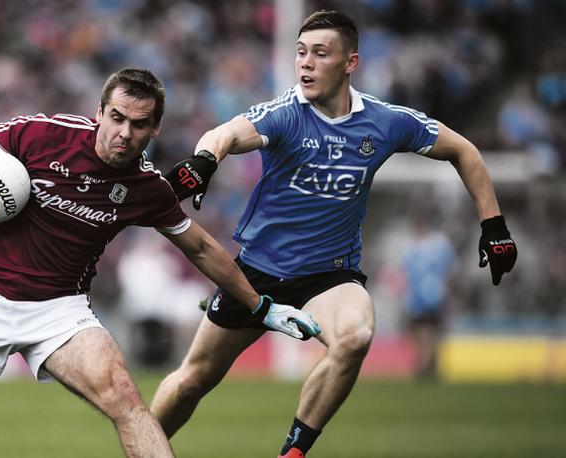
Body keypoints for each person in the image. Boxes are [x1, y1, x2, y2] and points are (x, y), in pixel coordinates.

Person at [0, 67, 320, 458]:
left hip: (60, 311)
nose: (124, 133)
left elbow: (201, 248)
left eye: (139, 125)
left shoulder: (147, 187)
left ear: (155, 129)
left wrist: (262, 307)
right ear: (100, 111)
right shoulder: (46, 134)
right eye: (117, 118)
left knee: (128, 401)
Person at [154, 10, 518, 458]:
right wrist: (203, 162)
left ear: (351, 63)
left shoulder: (385, 121)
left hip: (330, 277)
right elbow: (225, 132)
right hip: (255, 274)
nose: (305, 63)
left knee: (355, 337)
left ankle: (293, 452)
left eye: (320, 54)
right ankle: (141, 448)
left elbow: (464, 150)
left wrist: (494, 226)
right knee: (193, 380)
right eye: (301, 53)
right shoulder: (286, 113)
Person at [402, 210, 455, 380]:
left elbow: (445, 268)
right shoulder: (436, 244)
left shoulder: (426, 245)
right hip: (427, 294)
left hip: (426, 295)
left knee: (425, 329)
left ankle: (426, 364)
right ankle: (430, 362)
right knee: (426, 330)